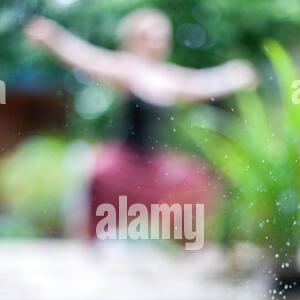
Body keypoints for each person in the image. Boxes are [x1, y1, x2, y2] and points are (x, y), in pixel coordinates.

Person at [25, 9, 258, 241]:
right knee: (97, 179)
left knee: (197, 183)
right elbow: (85, 57)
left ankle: (188, 246)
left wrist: (234, 75)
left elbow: (204, 83)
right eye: (150, 35)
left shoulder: (171, 77)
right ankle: (90, 244)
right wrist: (53, 37)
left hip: (155, 163)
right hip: (124, 159)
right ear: (134, 38)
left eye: (162, 36)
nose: (156, 42)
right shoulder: (125, 67)